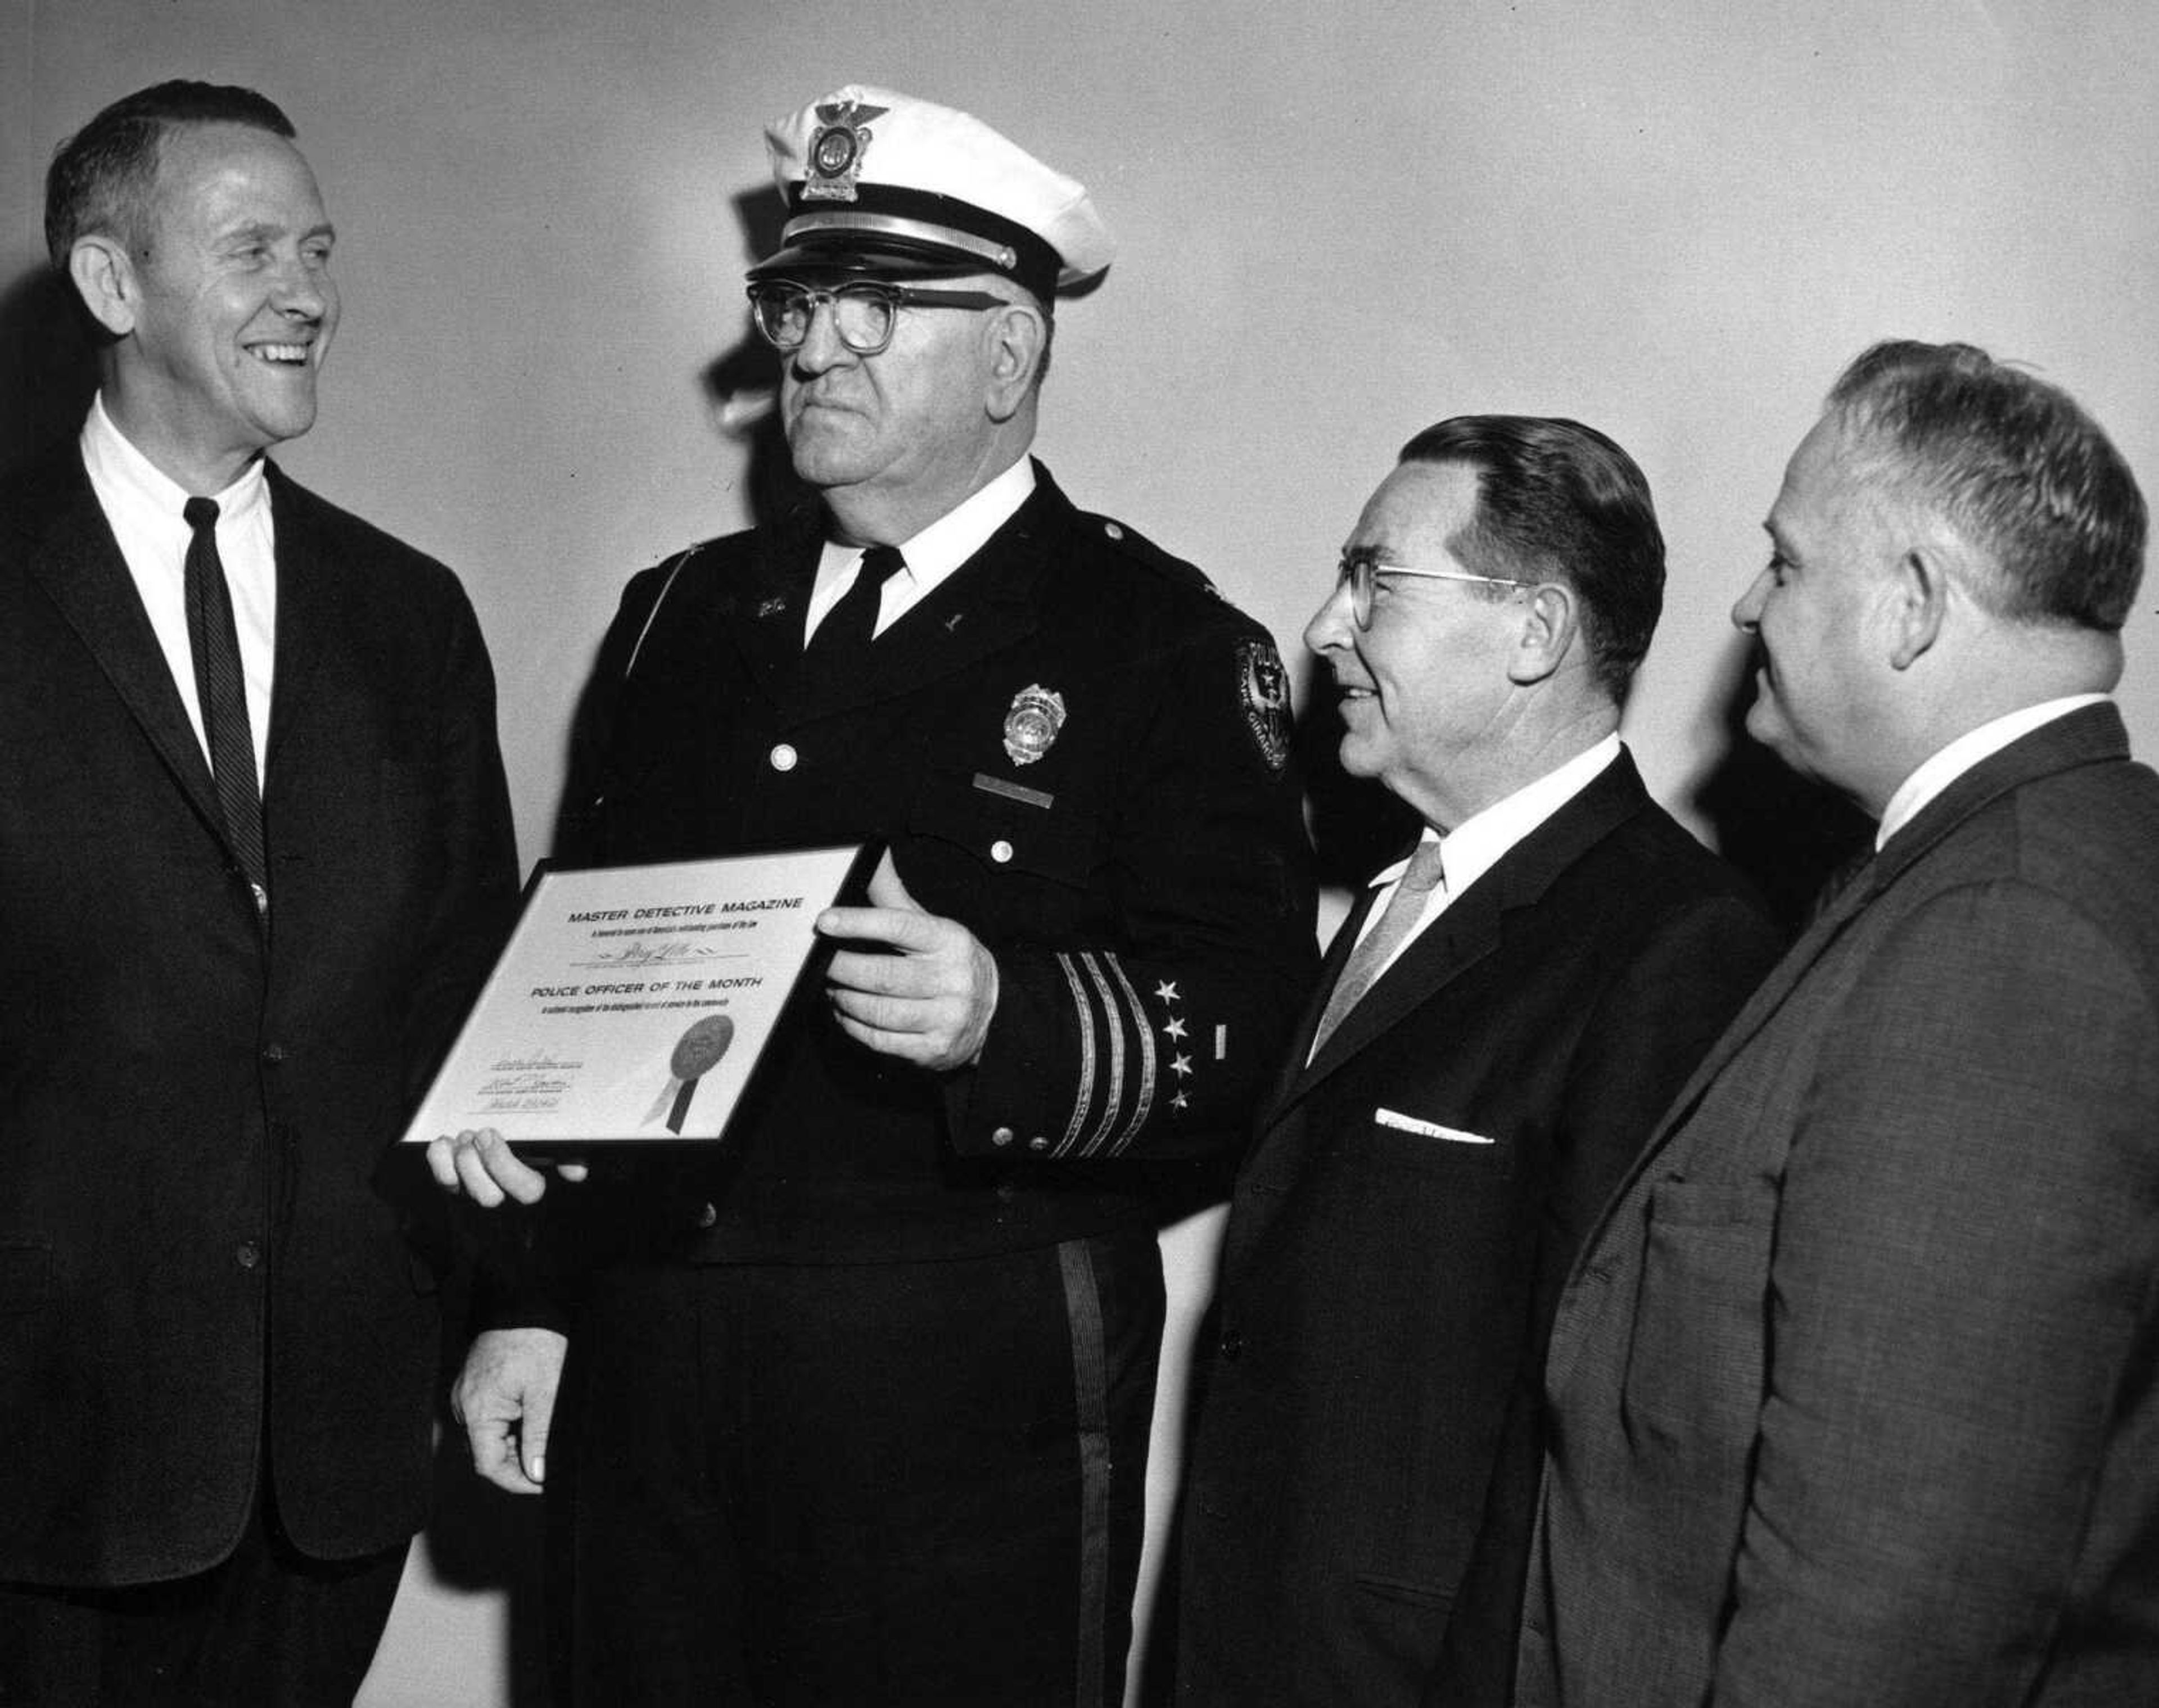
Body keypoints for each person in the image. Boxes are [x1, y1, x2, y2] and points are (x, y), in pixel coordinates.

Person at [430, 84, 1315, 1706]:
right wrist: (533, 1295)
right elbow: (594, 963)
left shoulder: (1160, 644)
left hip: (962, 1373)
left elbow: (1254, 1021)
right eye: (794, 301)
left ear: (1009, 353)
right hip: (658, 1353)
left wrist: (1010, 1013)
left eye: (870, 307)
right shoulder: (679, 617)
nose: (810, 348)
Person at [1520, 340, 2159, 1707]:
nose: (1749, 604)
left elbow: (1892, 1604)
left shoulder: (2005, 938)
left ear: (1914, 607)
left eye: (1791, 561)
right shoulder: (2052, 858)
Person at [0, 80, 517, 1705]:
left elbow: (469, 1003)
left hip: (338, 1453)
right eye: (249, 251)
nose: (307, 294)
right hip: (44, 1456)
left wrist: (514, 1304)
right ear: (108, 283)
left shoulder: (408, 614)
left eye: (317, 248)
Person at [1172, 417, 1782, 1707]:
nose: (1327, 626)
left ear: (1535, 633)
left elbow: (1593, 1442)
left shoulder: (1679, 946)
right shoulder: (1403, 897)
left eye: (1375, 582)